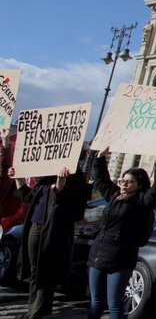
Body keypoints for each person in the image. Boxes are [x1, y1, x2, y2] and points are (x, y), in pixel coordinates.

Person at [7, 129, 89, 319]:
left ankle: (38, 312)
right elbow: (28, 196)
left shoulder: (76, 177)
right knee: (35, 270)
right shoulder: (47, 177)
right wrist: (18, 177)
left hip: (53, 231)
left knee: (46, 270)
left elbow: (72, 207)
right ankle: (33, 310)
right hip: (35, 226)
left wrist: (61, 188)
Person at [88, 148, 156, 319]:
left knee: (115, 304)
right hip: (98, 256)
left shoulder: (141, 202)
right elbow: (102, 180)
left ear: (139, 185)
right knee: (96, 301)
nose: (123, 184)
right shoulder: (114, 196)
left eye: (129, 182)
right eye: (123, 181)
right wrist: (99, 158)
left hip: (120, 259)